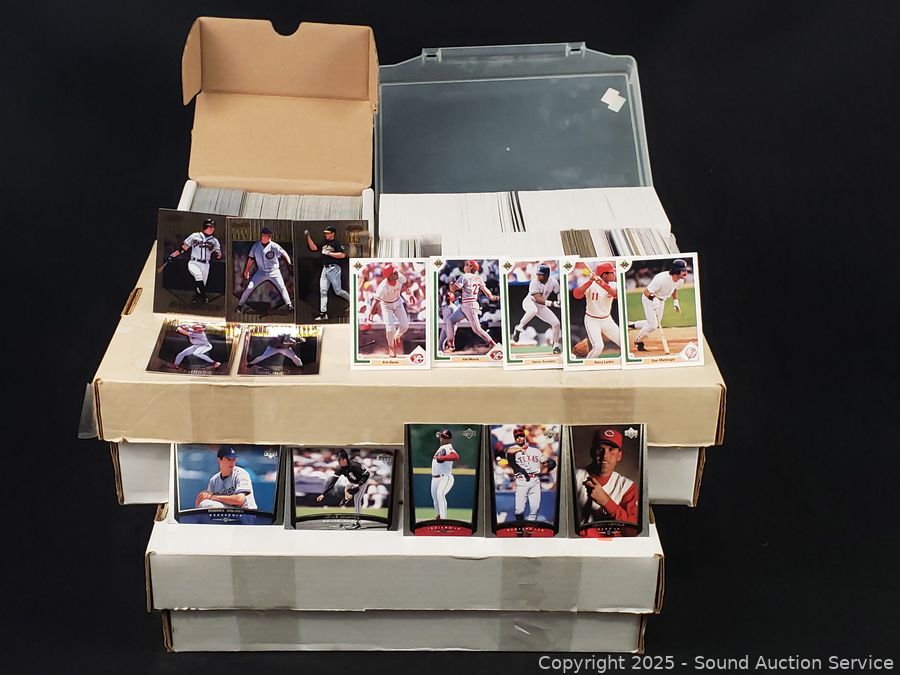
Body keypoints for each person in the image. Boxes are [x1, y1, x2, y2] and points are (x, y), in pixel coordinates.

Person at [574, 428, 638, 526]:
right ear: (592, 452)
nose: (605, 456)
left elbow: (632, 528)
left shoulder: (627, 487)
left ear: (619, 456)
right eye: (600, 449)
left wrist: (606, 501)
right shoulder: (574, 478)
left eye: (611, 450)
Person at [631, 258, 689, 352]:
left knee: (654, 323)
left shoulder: (680, 280)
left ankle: (632, 325)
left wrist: (675, 301)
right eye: (683, 270)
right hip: (649, 299)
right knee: (653, 325)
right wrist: (654, 299)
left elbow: (674, 289)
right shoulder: (661, 279)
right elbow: (646, 292)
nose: (686, 272)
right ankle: (638, 341)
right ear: (676, 270)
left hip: (661, 300)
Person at [164, 218, 222, 304]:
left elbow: (219, 254)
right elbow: (183, 248)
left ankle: (196, 298)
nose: (212, 228)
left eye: (213, 227)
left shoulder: (214, 241)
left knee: (201, 285)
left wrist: (217, 254)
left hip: (206, 264)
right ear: (205, 226)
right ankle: (204, 297)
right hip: (194, 262)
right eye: (210, 226)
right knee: (198, 276)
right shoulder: (195, 236)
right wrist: (173, 255)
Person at [504, 426, 556, 522]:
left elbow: (545, 462)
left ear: (524, 437)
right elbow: (508, 451)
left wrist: (549, 464)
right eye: (517, 437)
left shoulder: (535, 451)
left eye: (521, 436)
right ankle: (519, 525)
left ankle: (532, 525)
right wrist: (519, 450)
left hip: (534, 479)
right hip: (521, 480)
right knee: (519, 508)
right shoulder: (512, 450)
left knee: (535, 506)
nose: (519, 438)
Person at [445, 260, 499, 353]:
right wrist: (492, 297)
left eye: (467, 265)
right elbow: (486, 290)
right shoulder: (478, 277)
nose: (465, 266)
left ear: (471, 267)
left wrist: (451, 282)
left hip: (470, 306)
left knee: (477, 329)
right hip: (466, 305)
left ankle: (493, 344)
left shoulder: (464, 276)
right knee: (450, 320)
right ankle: (451, 345)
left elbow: (452, 289)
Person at [236, 227, 294, 313]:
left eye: (269, 236)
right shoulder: (256, 246)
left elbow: (283, 253)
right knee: (249, 287)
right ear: (263, 236)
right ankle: (240, 305)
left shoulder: (274, 246)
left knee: (282, 288)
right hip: (261, 272)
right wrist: (246, 271)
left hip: (274, 271)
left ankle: (289, 305)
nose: (269, 237)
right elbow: (251, 259)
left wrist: (289, 263)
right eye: (267, 235)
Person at [572, 261, 620, 358]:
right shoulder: (591, 285)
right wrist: (590, 281)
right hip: (592, 320)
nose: (614, 274)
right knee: (598, 347)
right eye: (612, 272)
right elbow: (576, 294)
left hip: (607, 320)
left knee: (623, 341)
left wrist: (602, 284)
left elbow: (616, 295)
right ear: (605, 275)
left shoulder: (613, 284)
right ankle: (587, 364)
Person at [511, 263, 562, 354]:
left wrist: (559, 300)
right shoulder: (534, 282)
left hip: (541, 307)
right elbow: (538, 299)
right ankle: (518, 329)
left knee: (556, 323)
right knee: (533, 310)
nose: (538, 276)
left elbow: (558, 292)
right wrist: (553, 303)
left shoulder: (553, 282)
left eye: (540, 274)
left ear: (546, 275)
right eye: (537, 274)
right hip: (529, 302)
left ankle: (555, 345)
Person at [363, 264, 411, 358]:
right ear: (389, 276)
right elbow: (374, 303)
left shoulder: (399, 276)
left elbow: (405, 283)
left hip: (398, 302)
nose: (396, 273)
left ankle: (397, 336)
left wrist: (410, 294)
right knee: (390, 329)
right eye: (393, 272)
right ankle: (391, 348)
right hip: (386, 305)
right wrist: (369, 320)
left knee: (405, 326)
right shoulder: (382, 287)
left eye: (395, 271)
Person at [305, 225, 351, 321]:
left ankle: (353, 301)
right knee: (323, 291)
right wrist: (308, 237)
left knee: (338, 291)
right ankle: (323, 314)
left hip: (334, 268)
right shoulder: (324, 242)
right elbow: (314, 248)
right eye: (325, 233)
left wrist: (329, 253)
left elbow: (342, 255)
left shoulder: (336, 243)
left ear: (333, 234)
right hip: (325, 269)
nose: (326, 235)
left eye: (328, 233)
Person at [316, 450, 371, 528]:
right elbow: (333, 481)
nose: (338, 461)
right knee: (348, 490)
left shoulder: (354, 465)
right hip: (351, 482)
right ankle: (347, 497)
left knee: (357, 499)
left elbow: (367, 474)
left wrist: (359, 485)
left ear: (345, 459)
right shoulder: (340, 468)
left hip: (361, 482)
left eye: (339, 459)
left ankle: (358, 522)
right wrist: (323, 493)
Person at [431, 429, 459, 520]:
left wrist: (442, 458)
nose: (442, 439)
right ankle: (439, 516)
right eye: (441, 437)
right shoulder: (441, 448)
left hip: (445, 477)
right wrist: (441, 457)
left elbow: (455, 456)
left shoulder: (448, 447)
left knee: (440, 494)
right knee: (435, 499)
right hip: (435, 478)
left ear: (449, 439)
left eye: (444, 437)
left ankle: (443, 519)